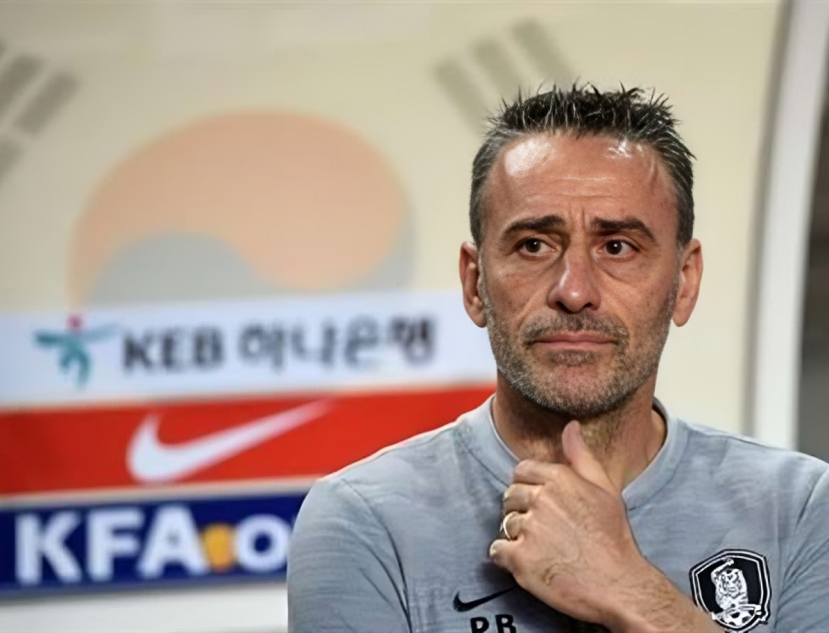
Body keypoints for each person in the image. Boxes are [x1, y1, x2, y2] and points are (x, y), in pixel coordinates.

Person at [286, 85, 829, 632]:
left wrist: (632, 592)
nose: (574, 291)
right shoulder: (364, 521)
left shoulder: (803, 508)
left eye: (617, 247)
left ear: (684, 283)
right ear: (475, 285)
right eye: (534, 245)